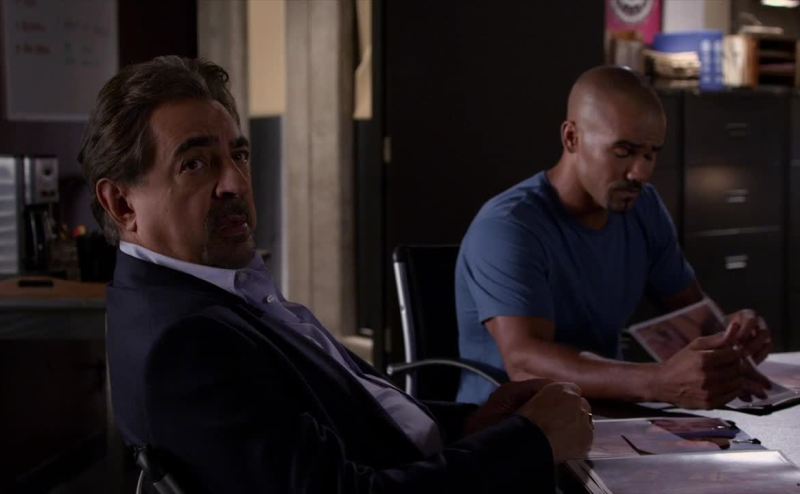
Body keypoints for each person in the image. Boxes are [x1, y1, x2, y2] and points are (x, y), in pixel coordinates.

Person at [81, 56, 593, 493]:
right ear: (122, 203)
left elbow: (356, 416)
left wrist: (478, 422)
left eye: (239, 154)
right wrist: (529, 442)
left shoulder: (205, 294)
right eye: (195, 164)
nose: (234, 183)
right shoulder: (187, 343)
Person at [455, 65, 772, 408]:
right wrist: (656, 382)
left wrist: (730, 337)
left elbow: (691, 315)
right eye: (624, 151)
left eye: (650, 153)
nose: (641, 173)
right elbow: (524, 363)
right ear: (572, 138)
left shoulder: (644, 208)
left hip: (607, 412)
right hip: (512, 422)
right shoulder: (509, 226)